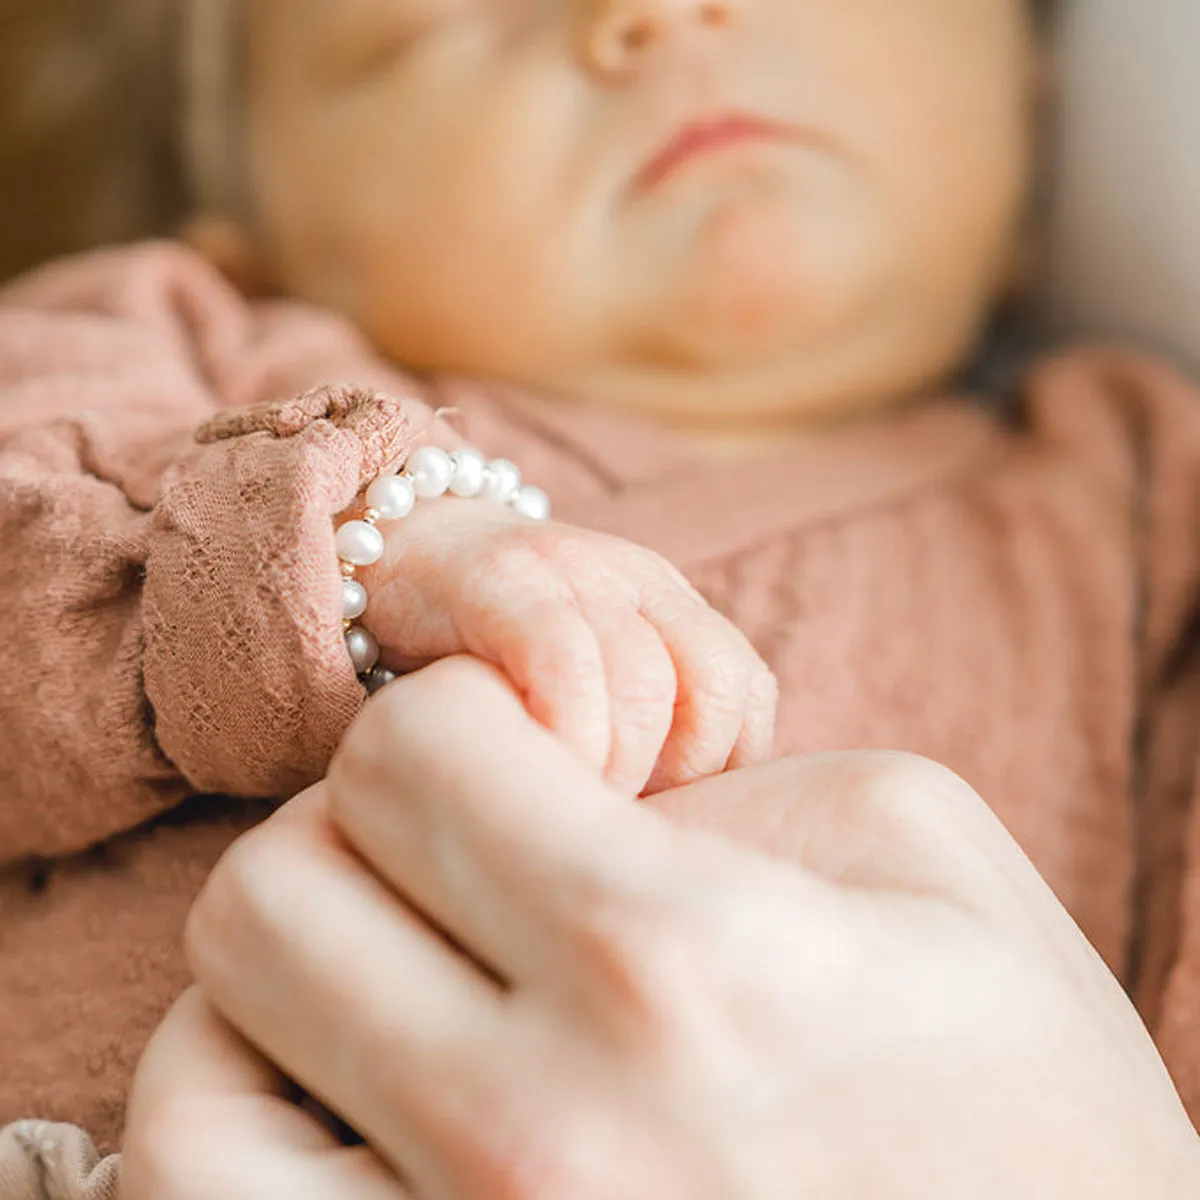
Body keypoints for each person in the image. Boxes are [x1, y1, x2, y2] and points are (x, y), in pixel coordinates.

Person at [4, 0, 1200, 1185]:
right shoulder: (160, 351)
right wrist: (361, 547)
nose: (649, 14)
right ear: (257, 240)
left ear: (1033, 84)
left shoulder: (1146, 509)